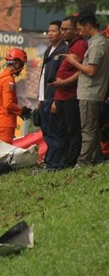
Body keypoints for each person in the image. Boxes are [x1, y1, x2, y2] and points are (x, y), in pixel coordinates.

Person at [62, 11, 109, 166]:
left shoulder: (98, 44)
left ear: (89, 26)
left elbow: (91, 70)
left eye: (81, 29)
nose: (79, 33)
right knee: (92, 129)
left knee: (87, 129)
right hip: (91, 92)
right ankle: (96, 159)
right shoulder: (98, 42)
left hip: (90, 92)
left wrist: (74, 62)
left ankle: (83, 162)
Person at [50, 15, 88, 168]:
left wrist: (63, 82)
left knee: (72, 131)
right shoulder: (69, 46)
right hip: (60, 95)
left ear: (76, 30)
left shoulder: (80, 45)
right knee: (62, 132)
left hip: (71, 96)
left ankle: (70, 163)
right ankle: (63, 162)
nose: (63, 32)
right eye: (62, 29)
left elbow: (81, 71)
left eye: (66, 29)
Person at [37, 20, 68, 169]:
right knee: (46, 132)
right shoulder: (48, 50)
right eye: (49, 31)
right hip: (44, 98)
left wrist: (56, 99)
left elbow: (61, 76)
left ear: (61, 32)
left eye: (54, 31)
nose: (50, 33)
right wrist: (39, 98)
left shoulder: (64, 50)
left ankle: (54, 164)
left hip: (53, 99)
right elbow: (43, 75)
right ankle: (50, 162)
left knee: (54, 132)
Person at [0, 48, 32, 144]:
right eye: (22, 65)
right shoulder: (8, 80)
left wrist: (19, 113)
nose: (22, 68)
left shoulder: (3, 76)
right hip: (5, 123)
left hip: (0, 122)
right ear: (16, 63)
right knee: (3, 155)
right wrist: (21, 111)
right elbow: (8, 104)